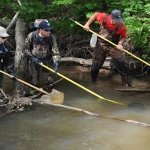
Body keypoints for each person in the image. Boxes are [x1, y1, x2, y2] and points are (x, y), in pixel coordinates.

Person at [83, 9, 130, 87]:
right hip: (100, 44)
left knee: (120, 62)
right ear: (112, 18)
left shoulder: (121, 27)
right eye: (116, 20)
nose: (118, 22)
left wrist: (120, 43)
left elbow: (124, 37)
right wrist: (87, 24)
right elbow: (95, 15)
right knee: (95, 67)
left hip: (113, 45)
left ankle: (125, 84)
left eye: (119, 20)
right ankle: (93, 82)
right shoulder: (104, 17)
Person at [24, 20, 61, 88]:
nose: (49, 32)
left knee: (50, 81)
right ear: (41, 30)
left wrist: (56, 63)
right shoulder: (31, 36)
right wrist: (33, 58)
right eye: (47, 30)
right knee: (34, 81)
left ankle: (50, 93)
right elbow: (25, 50)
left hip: (46, 60)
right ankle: (34, 93)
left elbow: (55, 51)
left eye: (49, 30)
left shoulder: (51, 37)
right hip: (34, 61)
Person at [0, 26, 17, 91]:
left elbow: (8, 61)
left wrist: (11, 73)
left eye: (5, 37)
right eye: (3, 37)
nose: (5, 39)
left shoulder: (5, 46)